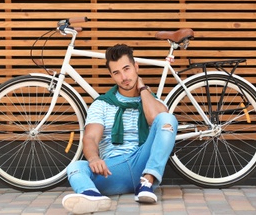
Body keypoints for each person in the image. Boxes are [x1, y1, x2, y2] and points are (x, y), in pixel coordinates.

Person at [62, 44, 178, 214]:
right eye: (117, 73)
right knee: (75, 167)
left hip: (143, 162)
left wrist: (143, 89)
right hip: (111, 170)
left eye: (127, 69)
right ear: (111, 76)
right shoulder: (101, 104)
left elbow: (157, 119)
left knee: (167, 119)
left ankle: (147, 183)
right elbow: (90, 138)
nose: (124, 77)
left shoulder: (151, 102)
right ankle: (92, 196)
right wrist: (94, 159)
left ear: (136, 67)